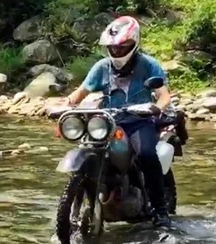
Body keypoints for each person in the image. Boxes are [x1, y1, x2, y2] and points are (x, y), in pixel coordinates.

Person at [65, 15, 173, 227]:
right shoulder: (101, 67)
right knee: (88, 148)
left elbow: (164, 95)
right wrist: (65, 103)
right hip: (106, 122)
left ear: (134, 43)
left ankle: (161, 211)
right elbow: (80, 92)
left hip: (138, 121)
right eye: (113, 47)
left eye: (123, 46)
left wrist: (156, 108)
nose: (117, 51)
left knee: (147, 155)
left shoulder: (148, 65)